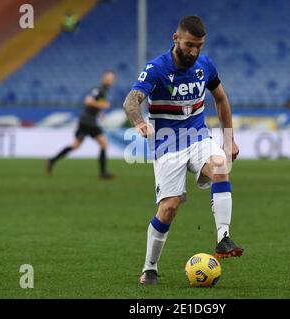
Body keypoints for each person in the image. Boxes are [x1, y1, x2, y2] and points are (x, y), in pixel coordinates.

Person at [123, 16, 243, 285]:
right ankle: (150, 268)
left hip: (198, 136)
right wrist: (139, 122)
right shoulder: (156, 69)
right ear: (175, 38)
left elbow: (221, 98)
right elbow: (131, 101)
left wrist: (228, 139)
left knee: (221, 166)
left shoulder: (205, 65)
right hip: (167, 145)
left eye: (199, 46)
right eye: (189, 45)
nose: (194, 52)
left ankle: (223, 238)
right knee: (169, 208)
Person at [46, 70, 116, 179]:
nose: (110, 81)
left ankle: (103, 173)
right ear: (103, 78)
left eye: (111, 79)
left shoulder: (104, 91)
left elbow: (94, 105)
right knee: (76, 145)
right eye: (108, 79)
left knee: (103, 143)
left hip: (91, 121)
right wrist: (103, 105)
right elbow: (88, 101)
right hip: (86, 122)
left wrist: (100, 111)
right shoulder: (98, 89)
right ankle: (51, 160)